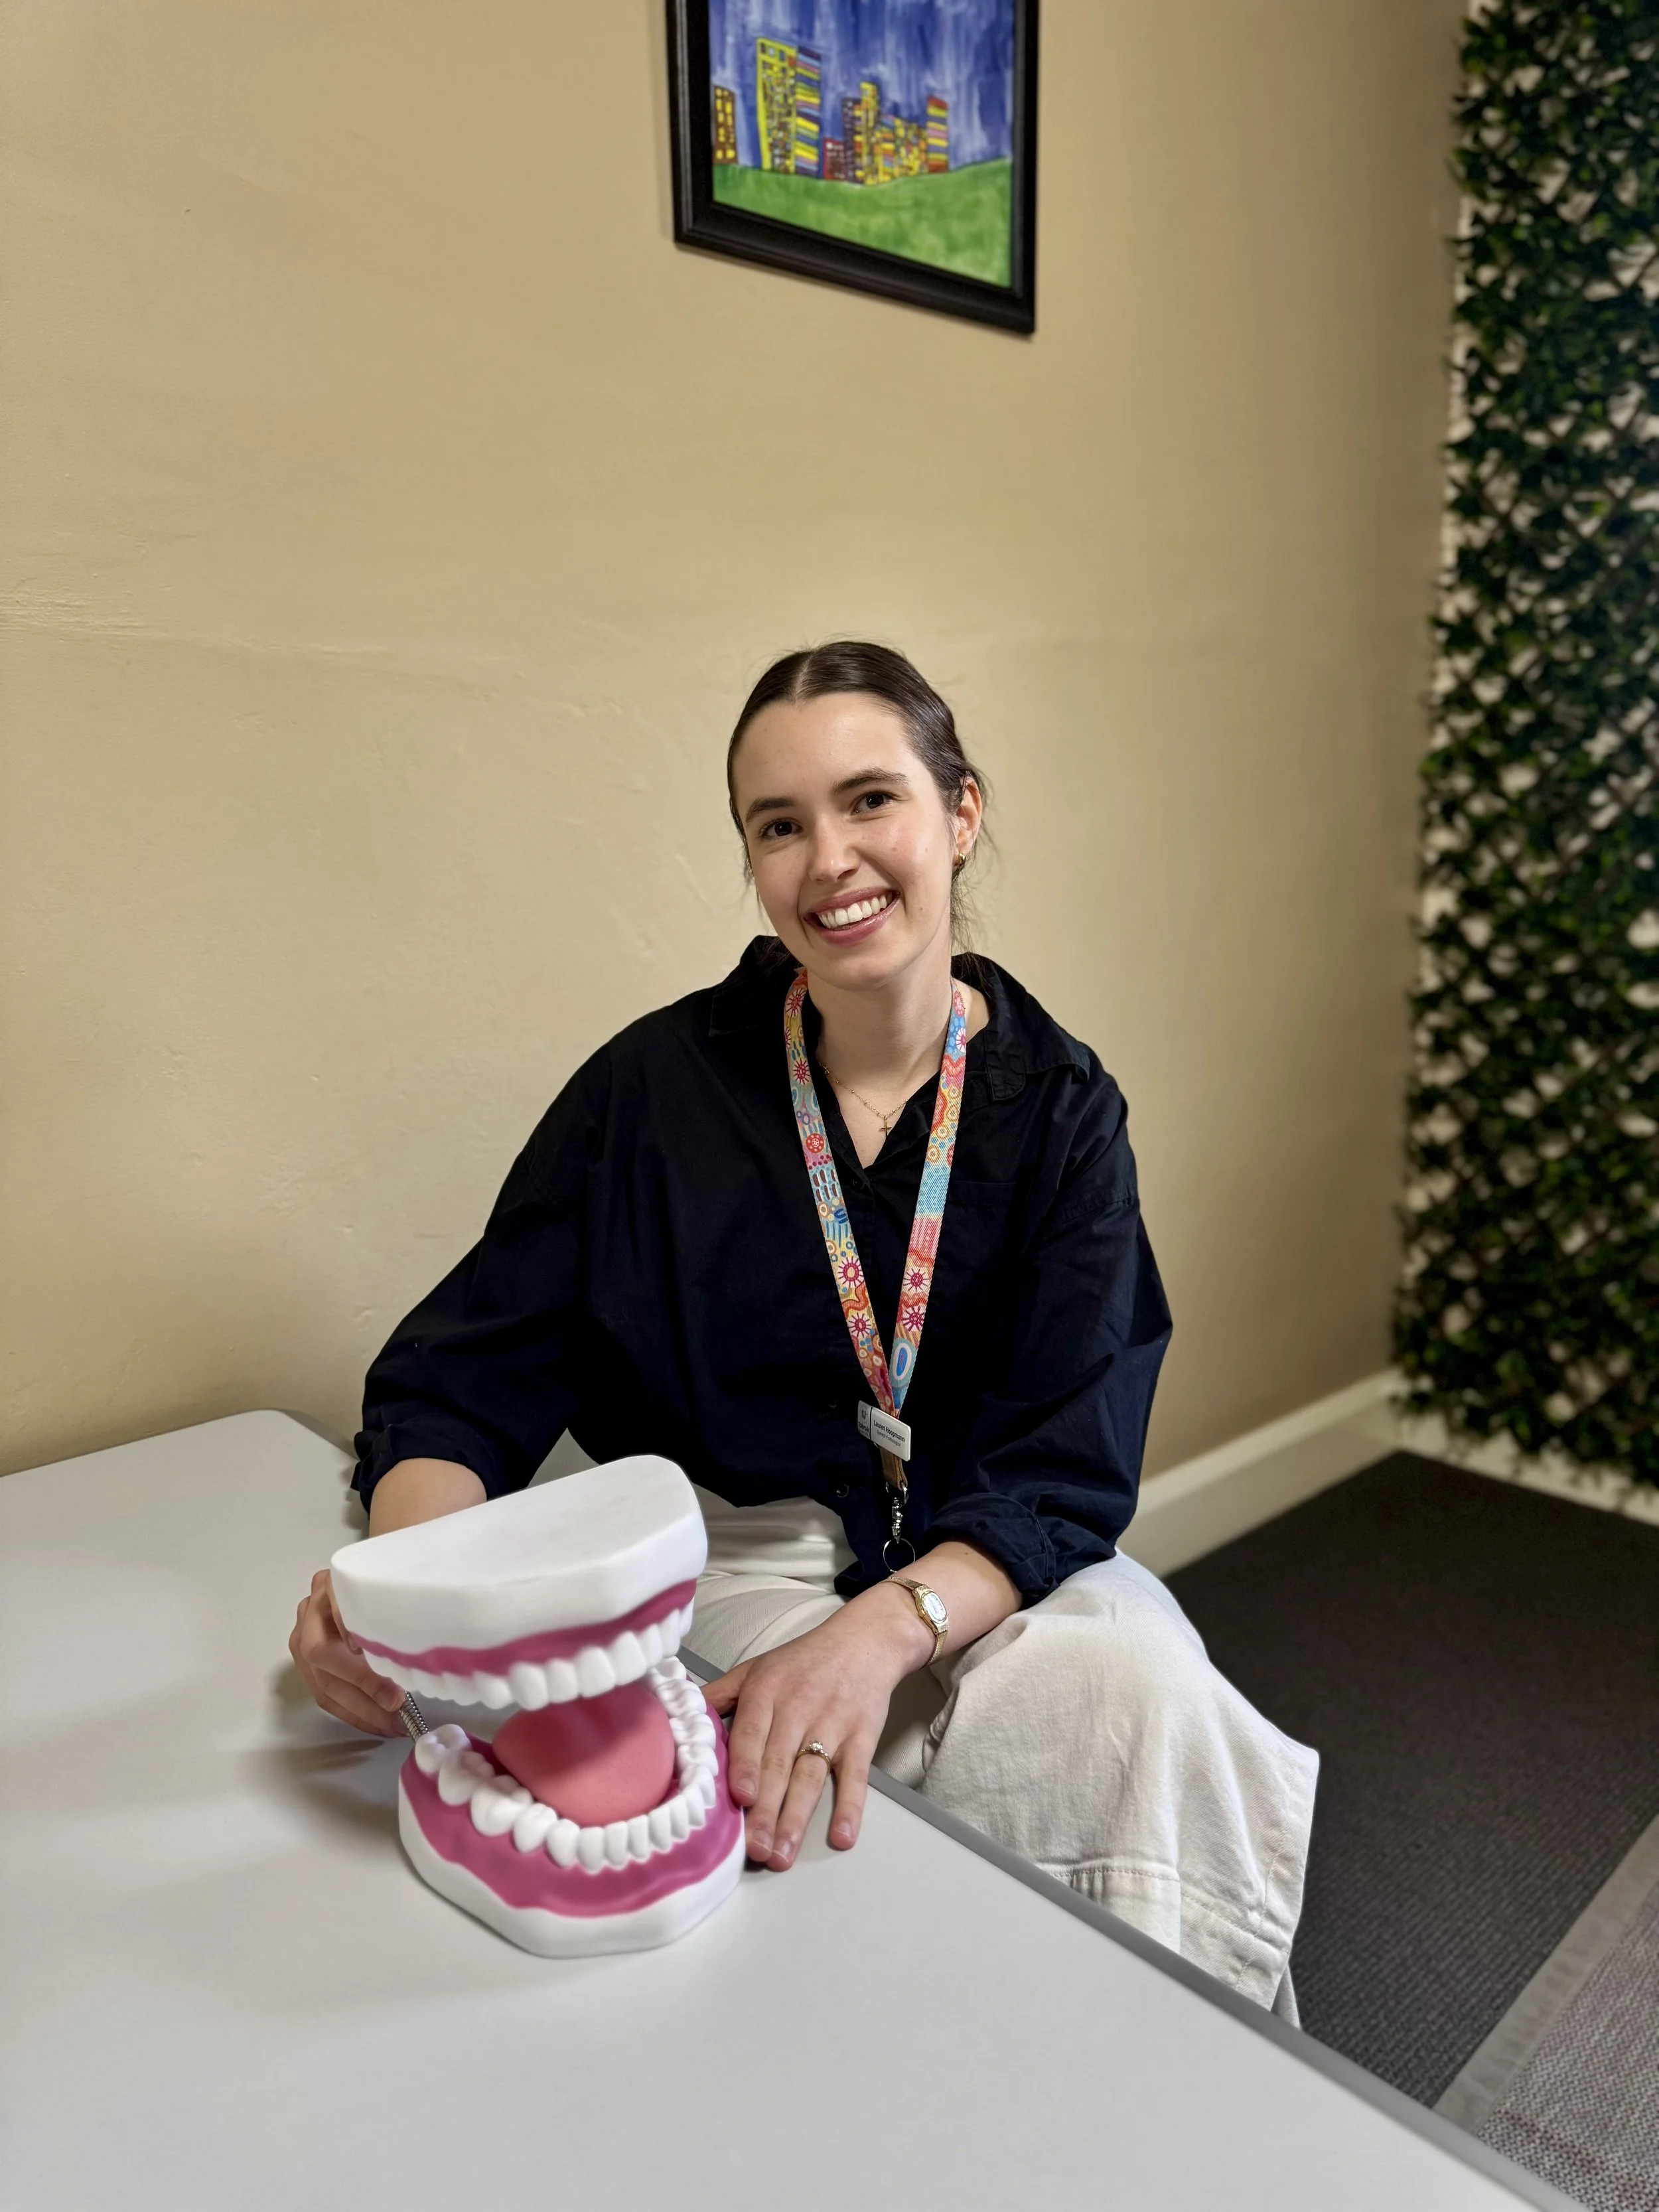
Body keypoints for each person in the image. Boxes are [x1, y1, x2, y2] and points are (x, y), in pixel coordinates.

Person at [291, 641, 1317, 2014]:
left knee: (1141, 1688)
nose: (828, 857)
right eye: (779, 826)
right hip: (737, 1558)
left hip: (987, 1558)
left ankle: (1152, 2068)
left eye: (868, 800)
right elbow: (455, 1385)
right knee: (724, 1781)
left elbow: (1068, 1469)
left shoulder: (1063, 1111)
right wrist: (404, 1603)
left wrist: (883, 1630)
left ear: (957, 813)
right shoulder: (650, 1092)